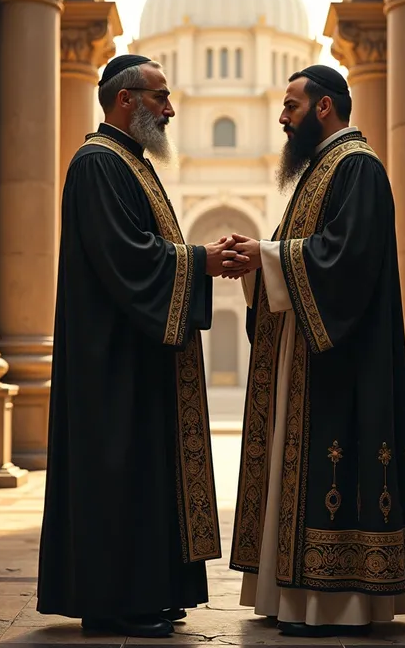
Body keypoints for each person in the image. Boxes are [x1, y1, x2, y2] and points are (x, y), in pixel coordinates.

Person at [37, 54, 249, 638]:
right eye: (160, 97)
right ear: (126, 100)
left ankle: (149, 592)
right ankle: (114, 603)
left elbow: (144, 253)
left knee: (145, 477)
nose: (171, 108)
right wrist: (202, 261)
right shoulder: (98, 164)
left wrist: (197, 262)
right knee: (118, 476)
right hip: (112, 362)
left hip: (138, 355)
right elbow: (127, 259)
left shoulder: (129, 163)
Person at [225, 65, 405, 637]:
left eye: (291, 105)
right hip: (311, 353)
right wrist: (261, 259)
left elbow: (344, 258)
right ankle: (294, 594)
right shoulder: (322, 170)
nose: (282, 117)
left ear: (323, 108)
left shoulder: (356, 168)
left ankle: (334, 601)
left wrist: (265, 255)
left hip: (342, 362)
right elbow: (308, 252)